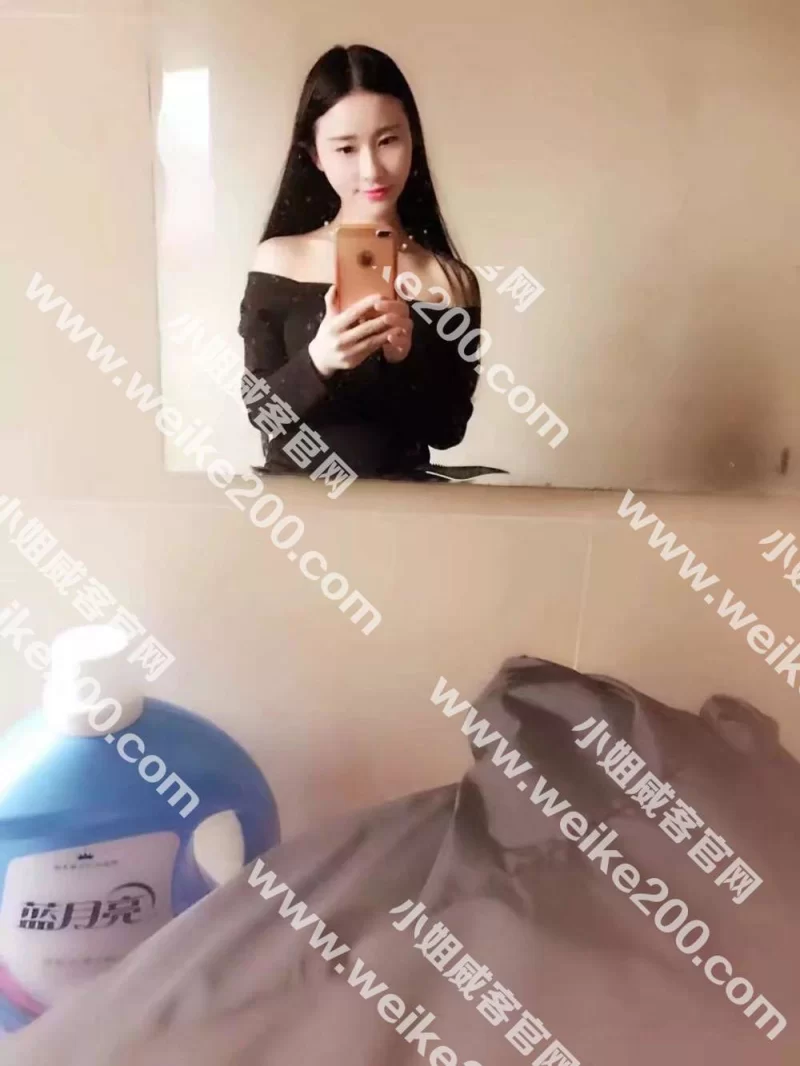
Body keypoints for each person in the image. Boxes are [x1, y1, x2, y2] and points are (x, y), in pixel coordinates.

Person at [238, 44, 496, 482]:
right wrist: (320, 358)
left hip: (404, 511)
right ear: (315, 156)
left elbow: (448, 430)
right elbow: (264, 415)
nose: (372, 169)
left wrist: (404, 360)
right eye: (345, 149)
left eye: (388, 140)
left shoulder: (450, 281)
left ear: (413, 139)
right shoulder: (280, 259)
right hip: (296, 509)